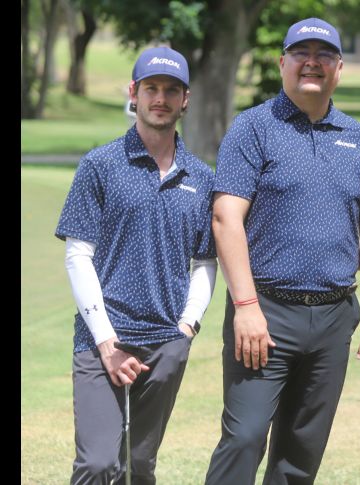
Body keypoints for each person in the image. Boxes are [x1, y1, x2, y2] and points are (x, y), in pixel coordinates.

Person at [204, 17, 360, 484]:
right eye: (301, 54)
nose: (312, 63)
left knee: (300, 453)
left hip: (333, 317)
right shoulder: (254, 128)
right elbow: (226, 218)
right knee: (245, 435)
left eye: (324, 55)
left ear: (339, 68)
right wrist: (245, 306)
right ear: (283, 63)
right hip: (265, 313)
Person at [55, 45, 218, 484]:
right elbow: (78, 256)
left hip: (166, 343)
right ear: (134, 93)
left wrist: (187, 328)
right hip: (100, 340)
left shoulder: (202, 179)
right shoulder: (100, 165)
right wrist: (108, 343)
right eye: (151, 88)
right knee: (97, 464)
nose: (160, 98)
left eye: (171, 89)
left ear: (185, 99)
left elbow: (204, 261)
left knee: (140, 467)